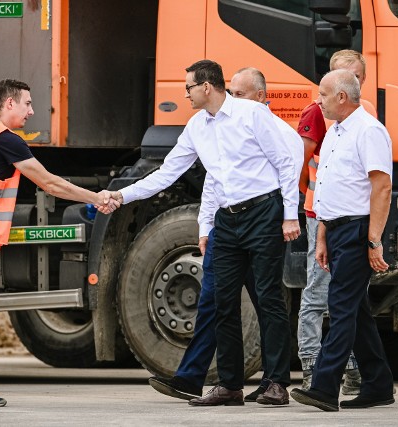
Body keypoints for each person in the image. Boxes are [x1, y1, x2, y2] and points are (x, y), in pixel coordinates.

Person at [111, 60, 300, 406]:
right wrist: (123, 195)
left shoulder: (251, 114)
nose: (185, 94)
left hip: (263, 212)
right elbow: (167, 173)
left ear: (208, 86)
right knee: (222, 303)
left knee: (269, 298)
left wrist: (289, 215)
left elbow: (285, 163)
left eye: (188, 88)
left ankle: (276, 382)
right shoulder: (197, 126)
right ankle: (230, 386)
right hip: (227, 220)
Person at [0, 79, 118, 409]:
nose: (32, 111)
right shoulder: (3, 139)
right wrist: (95, 197)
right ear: (9, 104)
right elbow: (48, 182)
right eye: (27, 104)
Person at [290, 69, 395, 411]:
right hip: (334, 229)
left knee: (341, 306)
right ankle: (378, 384)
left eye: (322, 94)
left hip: (357, 230)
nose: (317, 100)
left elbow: (382, 187)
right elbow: (326, 188)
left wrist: (373, 240)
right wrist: (321, 234)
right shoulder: (334, 132)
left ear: (342, 97)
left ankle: (323, 386)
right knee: (357, 311)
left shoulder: (369, 132)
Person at [297, 50, 376, 394]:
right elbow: (301, 166)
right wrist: (307, 210)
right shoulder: (318, 113)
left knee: (352, 300)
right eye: (345, 76)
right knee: (319, 294)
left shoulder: (366, 117)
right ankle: (314, 368)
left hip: (352, 220)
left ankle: (359, 371)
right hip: (323, 218)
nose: (352, 82)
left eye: (357, 76)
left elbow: (376, 177)